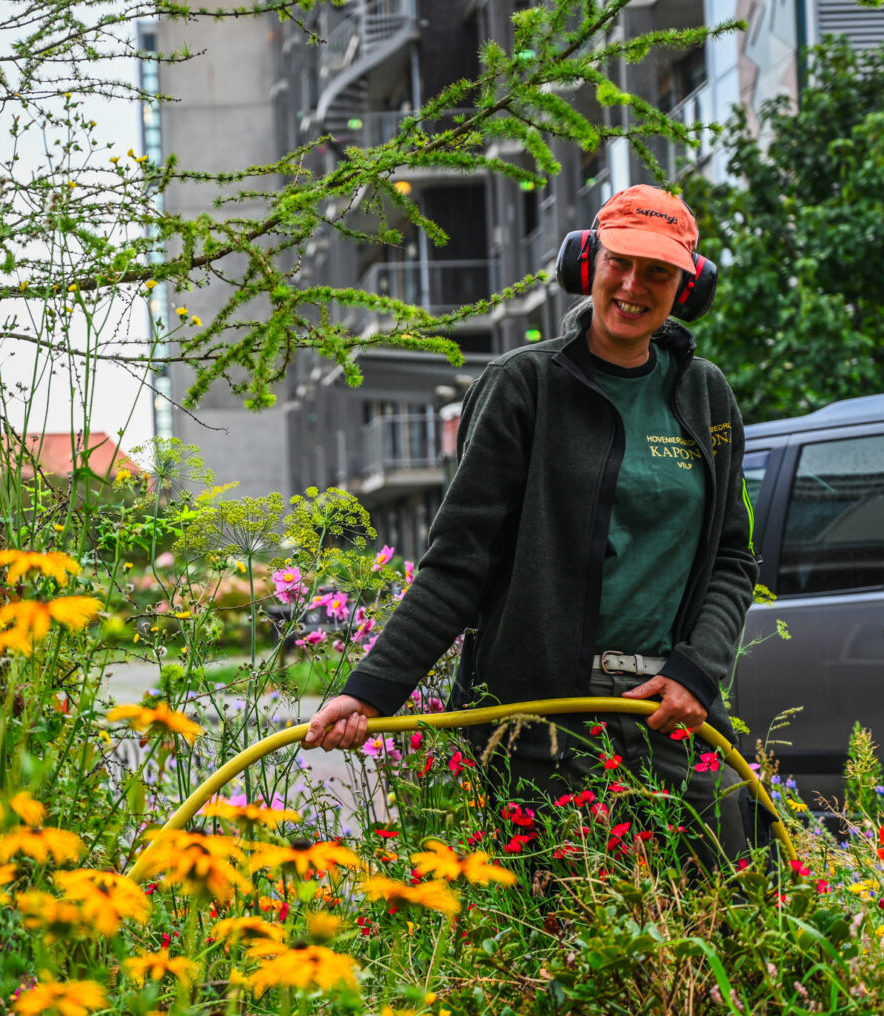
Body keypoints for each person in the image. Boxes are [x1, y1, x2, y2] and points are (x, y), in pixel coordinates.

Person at [303, 184, 761, 864]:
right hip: (541, 728)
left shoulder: (705, 394)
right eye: (620, 263)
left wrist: (698, 671)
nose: (634, 286)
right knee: (553, 938)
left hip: (667, 714)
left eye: (658, 271)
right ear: (588, 263)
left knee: (724, 904)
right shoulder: (525, 384)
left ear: (687, 288)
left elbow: (731, 558)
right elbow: (460, 564)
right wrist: (369, 691)